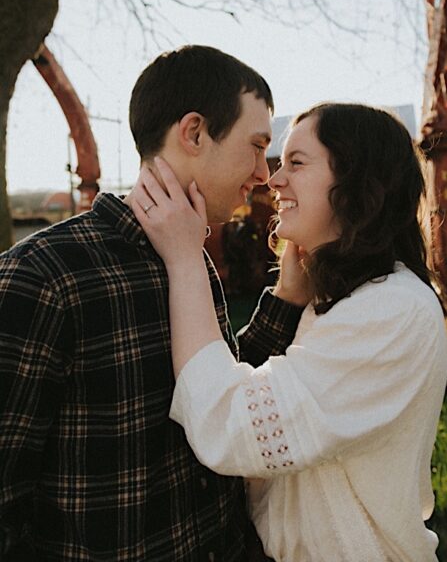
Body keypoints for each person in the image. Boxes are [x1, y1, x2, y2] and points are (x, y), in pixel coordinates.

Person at [0, 45, 303, 561]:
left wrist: (287, 297)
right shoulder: (43, 276)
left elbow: (216, 393)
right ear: (194, 133)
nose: (262, 172)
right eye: (255, 146)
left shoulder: (187, 256)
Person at [130, 102, 447, 562]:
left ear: (360, 184)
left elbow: (230, 426)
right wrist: (289, 294)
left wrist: (185, 260)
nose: (273, 179)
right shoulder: (346, 300)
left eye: (296, 163)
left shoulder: (393, 309)